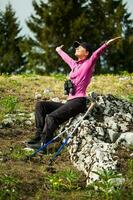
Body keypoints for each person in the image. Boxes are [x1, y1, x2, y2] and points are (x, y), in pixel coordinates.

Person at [27, 36, 121, 148]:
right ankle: (38, 136)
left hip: (78, 102)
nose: (76, 49)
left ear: (86, 53)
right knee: (40, 105)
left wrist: (106, 44)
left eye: (79, 48)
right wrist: (58, 50)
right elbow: (66, 58)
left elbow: (95, 55)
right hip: (70, 102)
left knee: (51, 117)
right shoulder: (74, 65)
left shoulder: (88, 64)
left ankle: (44, 144)